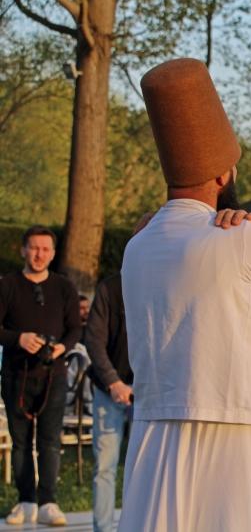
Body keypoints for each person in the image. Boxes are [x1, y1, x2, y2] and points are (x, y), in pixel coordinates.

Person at [117, 58, 251, 531]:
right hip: (234, 418)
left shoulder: (135, 247)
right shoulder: (239, 236)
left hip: (156, 420)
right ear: (224, 176)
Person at [0, 225, 81, 526]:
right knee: (20, 442)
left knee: (49, 441)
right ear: (23, 250)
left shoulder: (64, 287)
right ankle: (25, 501)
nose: (39, 255)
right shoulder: (7, 285)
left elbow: (75, 328)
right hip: (15, 375)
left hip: (53, 375)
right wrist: (18, 339)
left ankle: (49, 501)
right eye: (34, 248)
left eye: (45, 249)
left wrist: (62, 347)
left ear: (53, 253)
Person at [84, 273, 132, 532]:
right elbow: (93, 340)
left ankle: (139, 524)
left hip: (149, 391)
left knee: (145, 465)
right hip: (109, 388)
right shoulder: (110, 287)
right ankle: (102, 528)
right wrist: (113, 382)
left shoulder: (165, 281)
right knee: (105, 466)